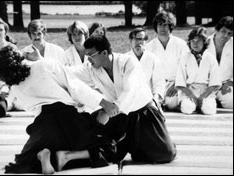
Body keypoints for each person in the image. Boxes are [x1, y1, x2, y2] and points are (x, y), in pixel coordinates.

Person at [0, 45, 117, 174]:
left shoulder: (15, 86)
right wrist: (104, 103)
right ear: (18, 56)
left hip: (44, 125)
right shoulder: (45, 64)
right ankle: (67, 156)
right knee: (108, 147)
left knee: (28, 159)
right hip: (69, 118)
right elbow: (75, 86)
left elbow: (28, 106)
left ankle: (44, 156)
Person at [69, 35, 176, 164]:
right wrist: (41, 61)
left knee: (166, 154)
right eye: (87, 56)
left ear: (104, 53)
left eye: (91, 55)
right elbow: (67, 72)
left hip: (142, 114)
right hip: (116, 115)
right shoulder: (92, 69)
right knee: (99, 144)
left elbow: (130, 92)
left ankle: (137, 144)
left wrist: (108, 111)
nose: (89, 60)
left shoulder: (128, 62)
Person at [146, 11, 189, 111]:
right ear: (156, 27)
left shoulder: (181, 44)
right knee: (150, 103)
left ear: (170, 27)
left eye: (165, 25)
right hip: (156, 84)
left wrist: (177, 84)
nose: (162, 28)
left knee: (172, 103)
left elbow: (186, 67)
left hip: (175, 84)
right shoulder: (149, 47)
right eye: (160, 25)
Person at [175, 27, 221, 115]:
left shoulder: (210, 57)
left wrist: (202, 97)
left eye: (198, 41)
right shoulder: (184, 57)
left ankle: (202, 106)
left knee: (209, 110)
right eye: (193, 41)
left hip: (206, 91)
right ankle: (190, 105)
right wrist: (192, 95)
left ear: (204, 42)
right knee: (187, 109)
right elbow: (180, 81)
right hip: (189, 90)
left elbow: (215, 82)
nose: (195, 43)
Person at [126, 27, 165, 108]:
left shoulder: (153, 59)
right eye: (136, 39)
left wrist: (156, 99)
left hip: (148, 100)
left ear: (146, 41)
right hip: (129, 100)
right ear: (130, 41)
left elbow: (159, 83)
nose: (139, 42)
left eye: (142, 39)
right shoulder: (124, 59)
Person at [206, 16, 233, 109]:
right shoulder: (205, 43)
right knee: (203, 106)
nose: (226, 36)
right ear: (216, 30)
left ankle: (219, 101)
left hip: (225, 85)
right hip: (205, 85)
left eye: (229, 33)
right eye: (223, 31)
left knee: (231, 102)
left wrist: (230, 82)